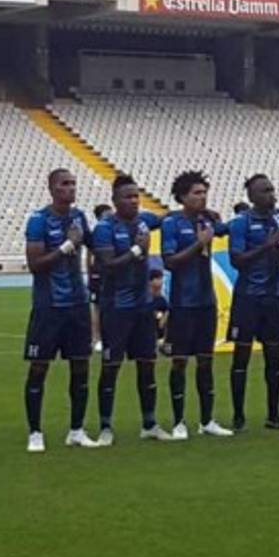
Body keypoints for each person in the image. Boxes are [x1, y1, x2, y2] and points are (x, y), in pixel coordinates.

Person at [92, 175, 174, 445]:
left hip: (142, 307)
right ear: (115, 201)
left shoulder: (144, 220)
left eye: (136, 196)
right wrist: (139, 249)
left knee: (147, 365)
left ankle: (149, 423)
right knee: (111, 366)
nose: (134, 201)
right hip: (116, 306)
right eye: (128, 197)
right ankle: (105, 426)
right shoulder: (105, 228)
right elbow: (108, 265)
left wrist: (200, 212)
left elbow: (166, 218)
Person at [23, 169, 97, 452]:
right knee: (39, 367)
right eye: (65, 184)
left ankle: (76, 430)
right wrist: (67, 246)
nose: (71, 188)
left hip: (77, 304)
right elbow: (35, 264)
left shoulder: (78, 217)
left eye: (73, 183)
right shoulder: (39, 220)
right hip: (49, 305)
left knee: (80, 365)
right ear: (52, 188)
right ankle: (35, 432)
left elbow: (93, 243)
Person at [160, 171, 234, 438]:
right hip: (182, 302)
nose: (202, 197)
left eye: (204, 193)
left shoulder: (207, 220)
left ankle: (207, 420)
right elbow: (170, 261)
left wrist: (217, 221)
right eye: (196, 193)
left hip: (206, 301)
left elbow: (228, 228)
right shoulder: (172, 224)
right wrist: (198, 244)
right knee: (180, 362)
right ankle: (179, 421)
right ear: (182, 197)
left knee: (205, 361)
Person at [227, 174, 279, 430]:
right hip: (248, 297)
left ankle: (273, 414)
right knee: (242, 356)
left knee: (274, 356)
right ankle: (238, 415)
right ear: (252, 196)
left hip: (273, 297)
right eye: (265, 191)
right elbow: (236, 259)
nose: (272, 194)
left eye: (272, 189)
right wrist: (266, 247)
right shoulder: (241, 223)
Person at [88, 204, 114, 352]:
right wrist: (91, 273)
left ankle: (110, 336)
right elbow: (90, 254)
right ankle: (96, 338)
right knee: (97, 307)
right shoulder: (97, 232)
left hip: (111, 273)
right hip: (98, 273)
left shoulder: (112, 230)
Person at [149, 270, 169, 342]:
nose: (160, 281)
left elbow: (167, 310)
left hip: (160, 329)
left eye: (161, 279)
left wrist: (163, 319)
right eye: (158, 279)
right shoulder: (146, 298)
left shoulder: (161, 299)